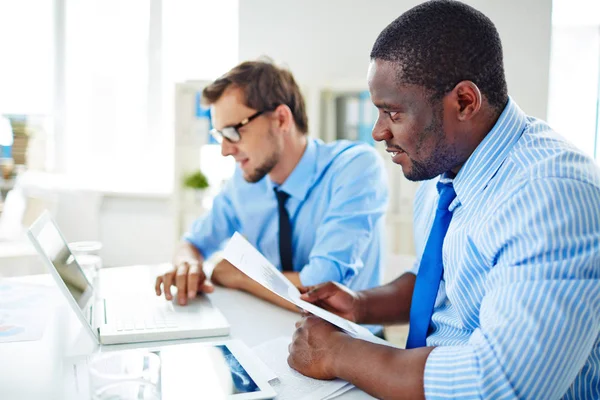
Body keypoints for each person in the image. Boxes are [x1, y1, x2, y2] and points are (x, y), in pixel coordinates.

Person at [287, 1, 600, 399]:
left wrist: (337, 353)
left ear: (465, 102)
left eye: (393, 113)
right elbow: (435, 281)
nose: (378, 131)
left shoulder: (552, 194)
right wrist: (361, 305)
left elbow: (503, 384)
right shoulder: (444, 170)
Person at [155, 60, 388, 321]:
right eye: (220, 136)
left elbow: (322, 290)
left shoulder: (355, 167)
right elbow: (193, 242)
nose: (225, 150)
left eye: (233, 132)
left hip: (351, 344)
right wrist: (188, 265)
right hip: (273, 328)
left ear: (281, 119)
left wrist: (240, 274)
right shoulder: (245, 181)